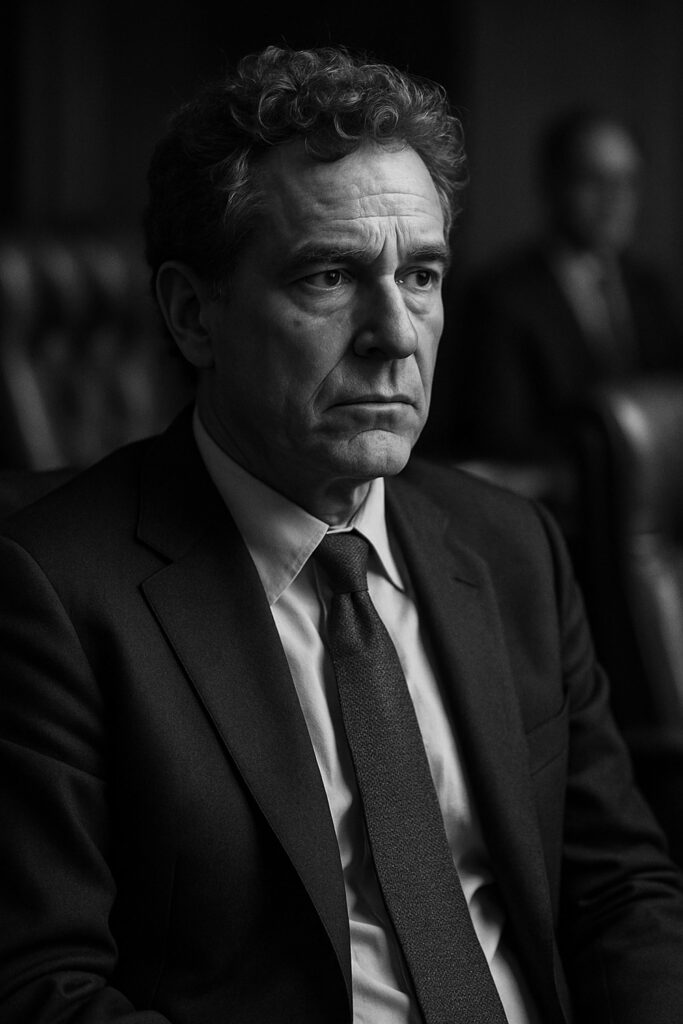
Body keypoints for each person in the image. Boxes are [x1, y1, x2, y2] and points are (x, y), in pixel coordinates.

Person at [1, 46, 682, 1024]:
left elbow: (620, 890)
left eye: (423, 275)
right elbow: (43, 992)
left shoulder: (512, 548)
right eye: (329, 275)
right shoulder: (52, 592)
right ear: (193, 314)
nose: (395, 333)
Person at [456, 109, 683, 458]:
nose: (615, 199)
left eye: (627, 181)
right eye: (595, 180)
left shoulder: (650, 287)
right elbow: (500, 438)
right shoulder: (501, 296)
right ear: (552, 183)